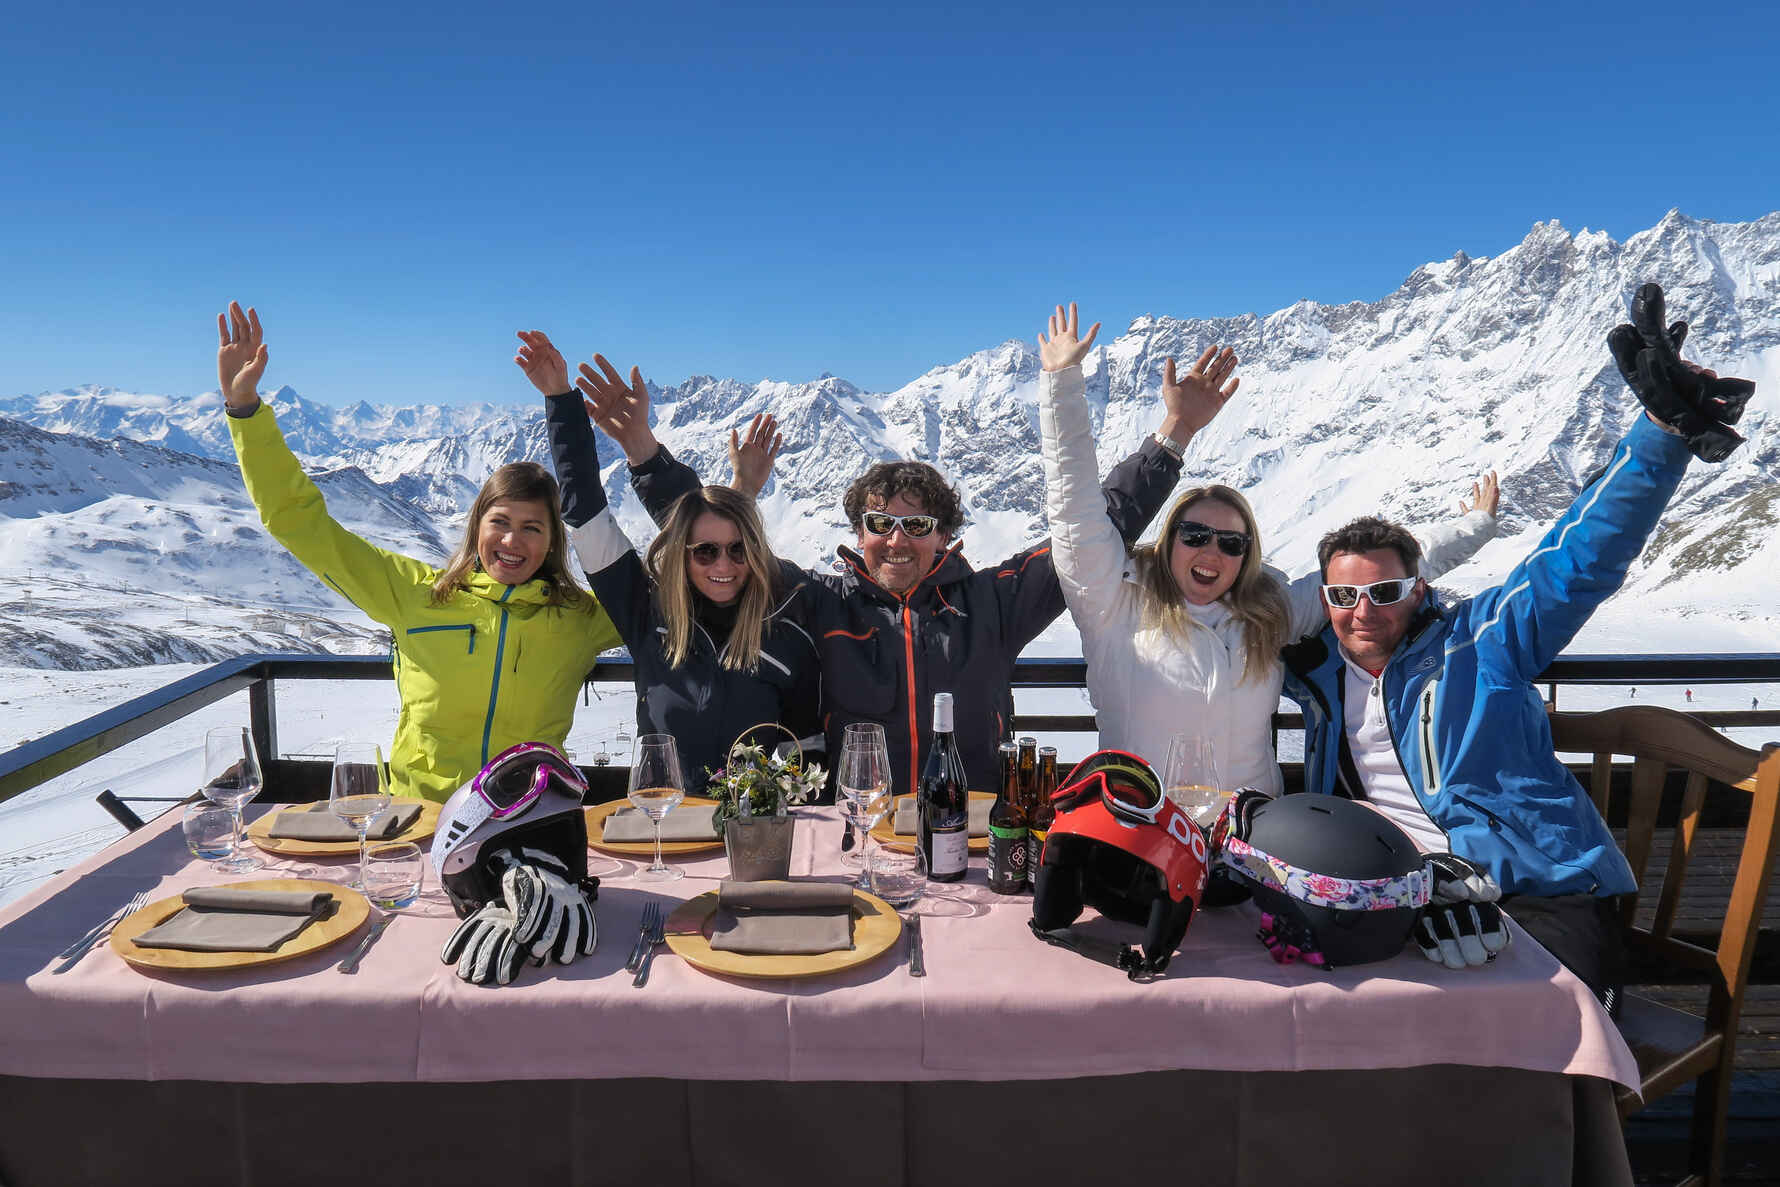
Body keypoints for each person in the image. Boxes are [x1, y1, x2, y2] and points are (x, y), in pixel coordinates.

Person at [1280, 283, 1755, 1008]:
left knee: (1528, 1017)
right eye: (1345, 596)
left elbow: (1576, 563)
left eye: (1385, 591)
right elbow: (1205, 625)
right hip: (1396, 891)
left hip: (1533, 887)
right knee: (1327, 1003)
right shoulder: (1310, 672)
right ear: (1324, 602)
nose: (1363, 611)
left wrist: (1661, 433)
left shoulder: (1479, 641)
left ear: (1419, 589)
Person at [574, 343, 1187, 800]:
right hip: (860, 828)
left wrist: (1172, 436)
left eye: (917, 525)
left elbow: (1087, 536)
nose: (897, 540)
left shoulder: (992, 602)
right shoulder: (819, 601)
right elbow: (714, 540)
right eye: (880, 523)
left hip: (972, 826)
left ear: (944, 535)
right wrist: (645, 454)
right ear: (857, 533)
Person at [1037, 303, 1498, 795]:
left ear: (1246, 556)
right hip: (1142, 822)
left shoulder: (1269, 611)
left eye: (1231, 543)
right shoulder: (1113, 601)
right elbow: (1075, 512)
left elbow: (1375, 572)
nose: (1212, 551)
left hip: (1251, 826)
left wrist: (1475, 526)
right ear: (1169, 541)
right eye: (1195, 536)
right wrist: (1062, 382)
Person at [215, 304, 620, 802]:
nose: (512, 541)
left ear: (553, 540)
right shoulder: (415, 595)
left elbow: (678, 596)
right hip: (419, 816)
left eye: (532, 528)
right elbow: (299, 522)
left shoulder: (581, 618)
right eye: (499, 523)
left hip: (529, 816)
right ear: (477, 527)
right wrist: (245, 412)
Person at [516, 332, 820, 796]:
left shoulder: (784, 621)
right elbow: (586, 517)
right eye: (705, 551)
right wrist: (561, 401)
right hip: (661, 819)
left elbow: (808, 746)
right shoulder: (646, 611)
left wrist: (794, 817)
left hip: (754, 826)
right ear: (683, 553)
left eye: (738, 550)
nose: (723, 564)